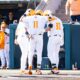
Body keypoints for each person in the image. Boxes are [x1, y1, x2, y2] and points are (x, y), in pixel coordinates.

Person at [24, 10, 48, 74]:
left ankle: (30, 67)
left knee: (31, 53)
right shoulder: (43, 18)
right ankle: (38, 69)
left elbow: (22, 19)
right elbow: (49, 19)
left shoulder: (29, 18)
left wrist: (28, 34)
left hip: (32, 36)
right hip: (39, 36)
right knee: (39, 53)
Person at [14, 9, 35, 75]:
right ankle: (23, 69)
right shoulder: (26, 20)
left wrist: (16, 38)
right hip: (23, 38)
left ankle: (23, 68)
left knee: (24, 53)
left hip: (20, 37)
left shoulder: (21, 20)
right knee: (25, 53)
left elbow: (16, 31)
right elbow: (26, 30)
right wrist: (29, 35)